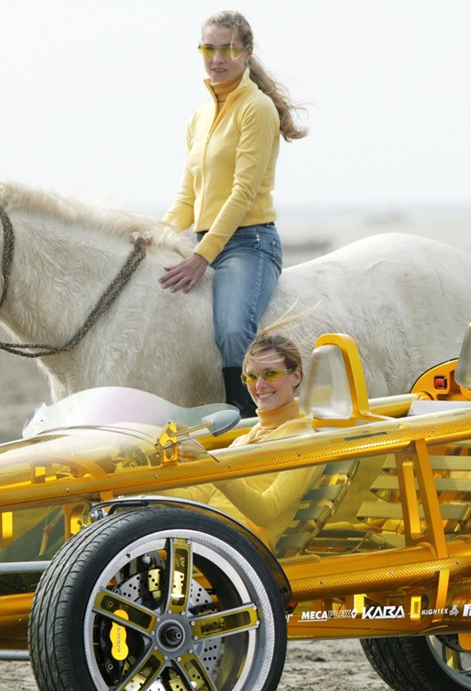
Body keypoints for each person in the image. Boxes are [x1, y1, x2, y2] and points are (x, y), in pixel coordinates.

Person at [159, 10, 307, 418]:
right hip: (202, 241)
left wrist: (201, 256)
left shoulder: (256, 109)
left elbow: (242, 193)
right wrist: (156, 237)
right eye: (209, 49)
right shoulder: (199, 117)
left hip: (248, 243)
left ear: (247, 52)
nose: (217, 59)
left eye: (228, 49)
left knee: (232, 329)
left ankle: (247, 420)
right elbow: (187, 197)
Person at [169, 328, 322, 546]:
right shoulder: (244, 439)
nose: (259, 385)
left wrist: (210, 466)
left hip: (241, 547)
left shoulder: (305, 441)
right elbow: (199, 495)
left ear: (295, 376)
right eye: (251, 376)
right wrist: (149, 478)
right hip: (206, 535)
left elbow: (266, 510)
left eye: (270, 374)